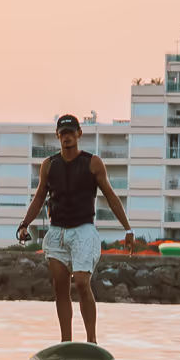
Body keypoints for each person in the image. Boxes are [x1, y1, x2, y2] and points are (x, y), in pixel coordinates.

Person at [18, 113, 133, 343]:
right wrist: (24, 224)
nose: (66, 138)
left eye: (70, 134)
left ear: (79, 134)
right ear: (57, 137)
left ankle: (91, 340)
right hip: (57, 232)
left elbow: (110, 196)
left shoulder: (92, 163)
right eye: (62, 134)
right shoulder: (49, 165)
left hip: (83, 230)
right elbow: (39, 197)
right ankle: (66, 342)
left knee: (81, 282)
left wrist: (128, 229)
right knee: (61, 289)